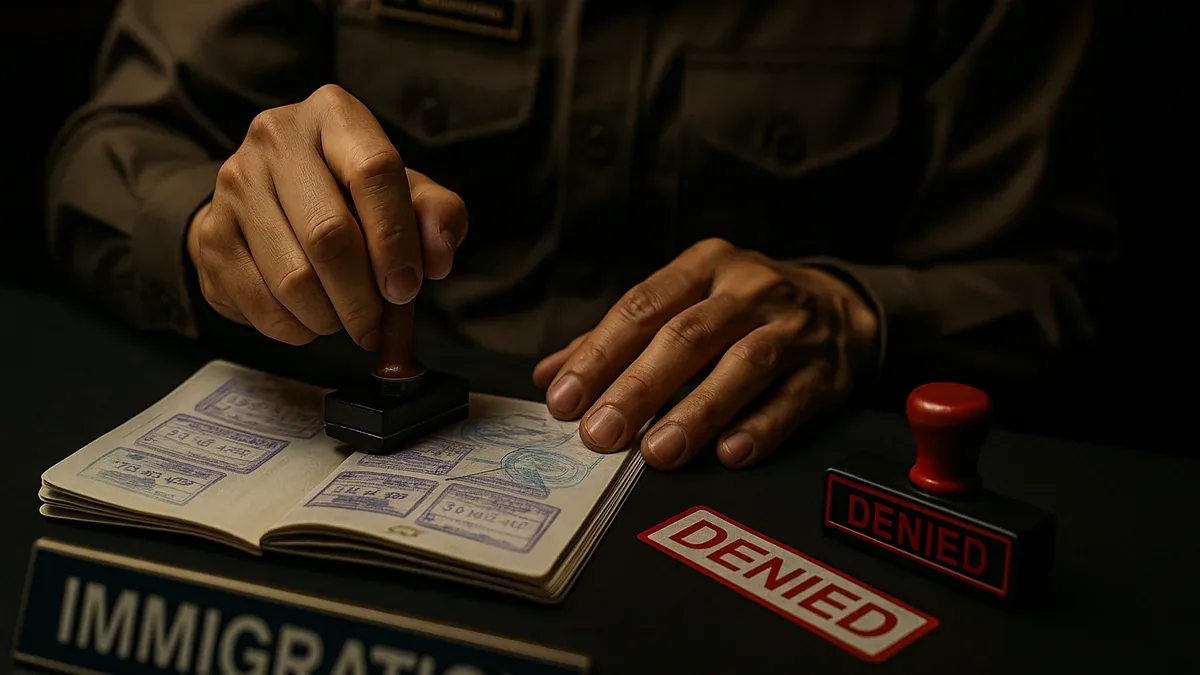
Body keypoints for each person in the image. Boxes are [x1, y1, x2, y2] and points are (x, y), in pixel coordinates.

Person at [46, 0, 1115, 472]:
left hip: (759, 487)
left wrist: (856, 314)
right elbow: (110, 150)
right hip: (371, 492)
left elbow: (1068, 288)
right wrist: (207, 227)